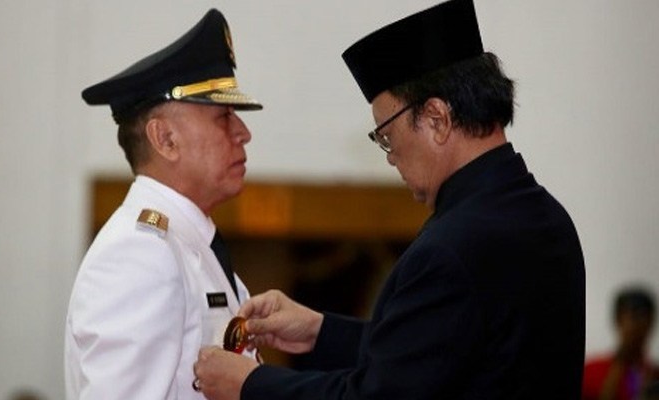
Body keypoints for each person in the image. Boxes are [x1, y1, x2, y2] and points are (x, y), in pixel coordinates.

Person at [192, 0, 586, 399]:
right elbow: (444, 353)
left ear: (437, 118)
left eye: (386, 136)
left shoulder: (453, 247)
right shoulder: (545, 216)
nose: (391, 156)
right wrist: (321, 332)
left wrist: (248, 384)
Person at [64, 9, 262, 400]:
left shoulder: (186, 244)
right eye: (224, 116)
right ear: (165, 139)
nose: (243, 132)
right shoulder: (140, 253)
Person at [583, 287, 659, 400]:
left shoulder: (654, 375)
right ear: (618, 319)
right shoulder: (591, 372)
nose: (638, 325)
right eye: (633, 316)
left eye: (645, 317)